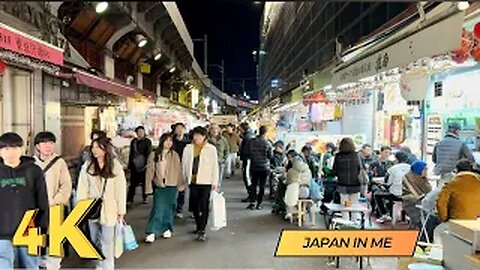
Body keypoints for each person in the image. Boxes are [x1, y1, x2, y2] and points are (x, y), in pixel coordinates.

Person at [0, 132, 49, 269]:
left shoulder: (33, 171)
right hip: (2, 233)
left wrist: (42, 227)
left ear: (21, 149)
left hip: (29, 230)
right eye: (6, 148)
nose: (10, 152)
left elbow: (42, 200)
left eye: (15, 147)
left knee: (30, 266)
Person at [76, 137, 127, 270]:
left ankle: (108, 265)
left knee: (107, 240)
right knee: (94, 239)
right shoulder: (87, 166)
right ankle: (99, 263)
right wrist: (82, 208)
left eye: (98, 147)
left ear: (106, 149)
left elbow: (120, 190)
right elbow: (82, 188)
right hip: (91, 208)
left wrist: (121, 210)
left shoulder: (115, 166)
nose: (94, 150)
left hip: (110, 208)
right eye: (93, 147)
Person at [34, 132, 72, 270]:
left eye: (51, 143)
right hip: (36, 211)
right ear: (37, 146)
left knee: (54, 243)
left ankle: (53, 266)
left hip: (55, 209)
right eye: (44, 143)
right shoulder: (31, 164)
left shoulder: (59, 163)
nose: (48, 146)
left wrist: (54, 201)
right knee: (37, 240)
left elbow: (66, 186)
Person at [144, 133, 185, 243]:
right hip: (159, 185)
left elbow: (179, 170)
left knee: (169, 208)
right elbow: (149, 172)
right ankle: (151, 231)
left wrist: (181, 184)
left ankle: (167, 228)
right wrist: (148, 187)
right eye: (166, 140)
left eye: (171, 141)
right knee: (157, 208)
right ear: (162, 141)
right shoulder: (154, 154)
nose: (169, 143)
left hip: (172, 185)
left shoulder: (174, 155)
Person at [182, 126, 218, 241]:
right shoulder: (188, 148)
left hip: (206, 182)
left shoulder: (211, 149)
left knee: (204, 205)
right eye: (195, 135)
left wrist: (214, 181)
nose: (197, 137)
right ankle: (198, 225)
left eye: (199, 135)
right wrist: (184, 179)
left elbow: (214, 166)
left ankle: (202, 229)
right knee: (195, 206)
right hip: (193, 181)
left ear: (204, 137)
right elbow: (184, 165)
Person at [375, 151, 411, 223]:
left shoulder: (393, 168)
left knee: (377, 195)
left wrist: (382, 183)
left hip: (395, 195)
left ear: (397, 159)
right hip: (408, 194)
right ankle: (405, 215)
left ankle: (384, 214)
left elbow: (388, 183)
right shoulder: (411, 167)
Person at [333, 138, 362, 220]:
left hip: (342, 184)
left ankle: (346, 222)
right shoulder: (357, 155)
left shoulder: (338, 156)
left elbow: (335, 171)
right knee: (354, 204)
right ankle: (354, 221)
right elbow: (360, 168)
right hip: (355, 184)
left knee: (344, 205)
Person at [247, 126, 273, 210]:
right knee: (262, 186)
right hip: (264, 167)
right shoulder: (267, 143)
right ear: (265, 133)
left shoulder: (252, 142)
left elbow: (248, 153)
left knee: (253, 185)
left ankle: (252, 202)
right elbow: (270, 156)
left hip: (254, 166)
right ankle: (259, 204)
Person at [127, 126, 152, 207]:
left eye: (142, 131)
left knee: (145, 183)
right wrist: (129, 166)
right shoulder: (133, 142)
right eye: (139, 131)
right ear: (136, 133)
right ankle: (130, 199)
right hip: (134, 166)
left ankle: (145, 197)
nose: (140, 133)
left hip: (144, 165)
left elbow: (149, 153)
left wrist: (148, 164)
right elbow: (131, 154)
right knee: (133, 184)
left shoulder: (147, 141)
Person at [402, 161, 432, 228]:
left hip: (421, 199)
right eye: (425, 170)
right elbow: (415, 193)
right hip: (410, 201)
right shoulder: (408, 177)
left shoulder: (423, 178)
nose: (426, 172)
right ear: (419, 169)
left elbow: (429, 190)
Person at [284, 150, 311, 220]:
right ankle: (301, 212)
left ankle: (289, 212)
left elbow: (287, 182)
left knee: (287, 191)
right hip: (306, 192)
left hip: (296, 193)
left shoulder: (291, 170)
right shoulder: (307, 168)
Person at [171, 123, 189, 218]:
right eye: (178, 128)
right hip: (172, 168)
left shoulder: (188, 142)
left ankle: (179, 208)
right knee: (172, 189)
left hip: (183, 168)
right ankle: (171, 207)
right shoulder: (171, 141)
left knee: (182, 189)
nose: (180, 130)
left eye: (182, 128)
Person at [208, 124, 230, 190]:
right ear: (209, 130)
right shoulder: (206, 139)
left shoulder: (223, 139)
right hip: (209, 163)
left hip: (220, 162)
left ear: (219, 130)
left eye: (216, 128)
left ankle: (216, 192)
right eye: (212, 128)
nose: (214, 130)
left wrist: (224, 159)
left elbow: (227, 149)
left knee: (218, 179)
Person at [239, 122, 255, 202]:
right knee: (248, 177)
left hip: (248, 159)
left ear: (242, 128)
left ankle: (251, 196)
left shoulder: (247, 137)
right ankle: (251, 195)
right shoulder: (250, 135)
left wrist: (242, 157)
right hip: (249, 159)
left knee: (247, 177)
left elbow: (246, 150)